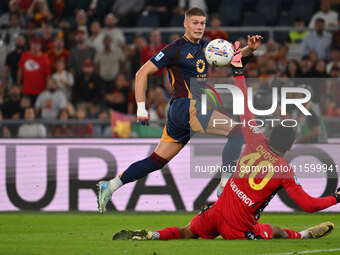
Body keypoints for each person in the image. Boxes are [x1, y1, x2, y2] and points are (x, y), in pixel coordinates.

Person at [112, 43, 340, 241]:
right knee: (276, 231)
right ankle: (303, 235)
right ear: (290, 146)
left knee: (187, 231)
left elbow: (244, 103)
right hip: (239, 228)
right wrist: (336, 197)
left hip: (216, 212)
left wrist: (238, 70)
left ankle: (153, 235)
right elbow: (309, 205)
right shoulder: (284, 171)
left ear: (271, 136)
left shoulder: (255, 139)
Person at [96, 7, 263, 214]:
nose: (199, 27)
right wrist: (141, 108)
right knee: (238, 132)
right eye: (195, 23)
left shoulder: (206, 46)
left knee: (156, 161)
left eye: (202, 23)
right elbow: (141, 74)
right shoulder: (175, 48)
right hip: (187, 106)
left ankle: (110, 186)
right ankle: (224, 186)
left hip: (181, 113)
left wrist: (250, 49)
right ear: (185, 24)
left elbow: (232, 60)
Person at [17, 37, 51, 105]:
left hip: (41, 91)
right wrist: (18, 83)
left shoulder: (45, 58)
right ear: (30, 45)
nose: (35, 46)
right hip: (26, 89)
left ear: (40, 46)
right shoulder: (25, 55)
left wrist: (48, 89)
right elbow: (20, 70)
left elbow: (48, 75)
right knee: (26, 110)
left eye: (37, 44)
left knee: (38, 110)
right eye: (34, 44)